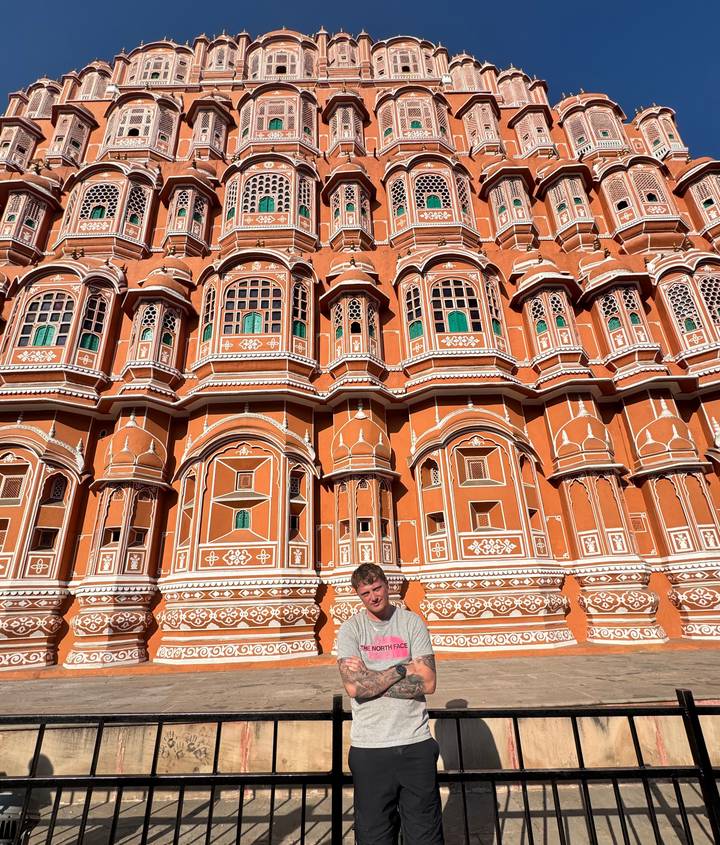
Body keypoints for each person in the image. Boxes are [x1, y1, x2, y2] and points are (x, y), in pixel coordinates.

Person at [337, 563, 444, 845]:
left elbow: (428, 683)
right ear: (358, 596)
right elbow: (354, 688)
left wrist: (371, 680)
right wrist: (401, 669)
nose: (373, 596)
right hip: (370, 748)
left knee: (425, 835)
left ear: (387, 586)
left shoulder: (411, 623)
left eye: (377, 588)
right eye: (365, 593)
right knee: (374, 836)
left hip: (415, 744)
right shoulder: (351, 629)